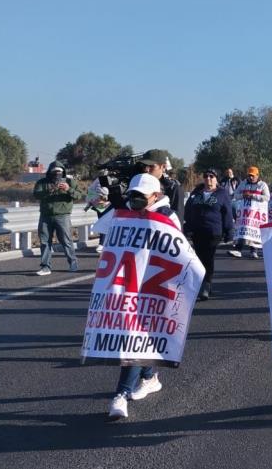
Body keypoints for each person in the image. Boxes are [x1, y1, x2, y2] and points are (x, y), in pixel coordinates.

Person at [108, 173, 180, 419]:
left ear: (156, 196)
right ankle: (149, 376)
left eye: (141, 196)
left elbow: (178, 252)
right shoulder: (126, 213)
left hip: (154, 287)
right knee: (136, 336)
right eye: (132, 195)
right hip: (129, 284)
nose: (135, 200)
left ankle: (121, 394)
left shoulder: (168, 217)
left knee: (134, 338)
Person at [184, 169, 233, 301]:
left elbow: (227, 213)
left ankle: (207, 284)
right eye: (206, 176)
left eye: (212, 176)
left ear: (216, 179)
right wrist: (187, 227)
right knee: (198, 259)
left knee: (208, 258)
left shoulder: (222, 194)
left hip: (213, 231)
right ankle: (201, 283)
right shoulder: (196, 193)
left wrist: (229, 231)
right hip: (197, 231)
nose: (208, 179)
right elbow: (188, 210)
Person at [32, 161, 82, 276]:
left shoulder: (70, 182)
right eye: (54, 171)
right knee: (45, 241)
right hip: (45, 216)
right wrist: (49, 190)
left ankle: (73, 263)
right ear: (49, 171)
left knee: (66, 241)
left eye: (59, 171)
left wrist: (68, 189)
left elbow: (79, 195)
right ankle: (45, 266)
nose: (56, 174)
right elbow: (36, 195)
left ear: (63, 172)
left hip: (63, 216)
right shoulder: (42, 182)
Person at [228, 166, 270, 259]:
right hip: (245, 212)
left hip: (257, 214)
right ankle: (238, 250)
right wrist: (243, 195)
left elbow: (267, 197)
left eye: (253, 176)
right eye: (249, 175)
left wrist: (253, 196)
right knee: (244, 229)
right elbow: (236, 195)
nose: (251, 177)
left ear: (257, 175)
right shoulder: (243, 183)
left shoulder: (262, 185)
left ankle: (253, 251)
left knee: (254, 231)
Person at [137, 150, 185, 223]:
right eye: (144, 166)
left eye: (151, 166)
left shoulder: (173, 188)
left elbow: (177, 223)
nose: (146, 170)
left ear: (163, 167)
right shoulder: (137, 185)